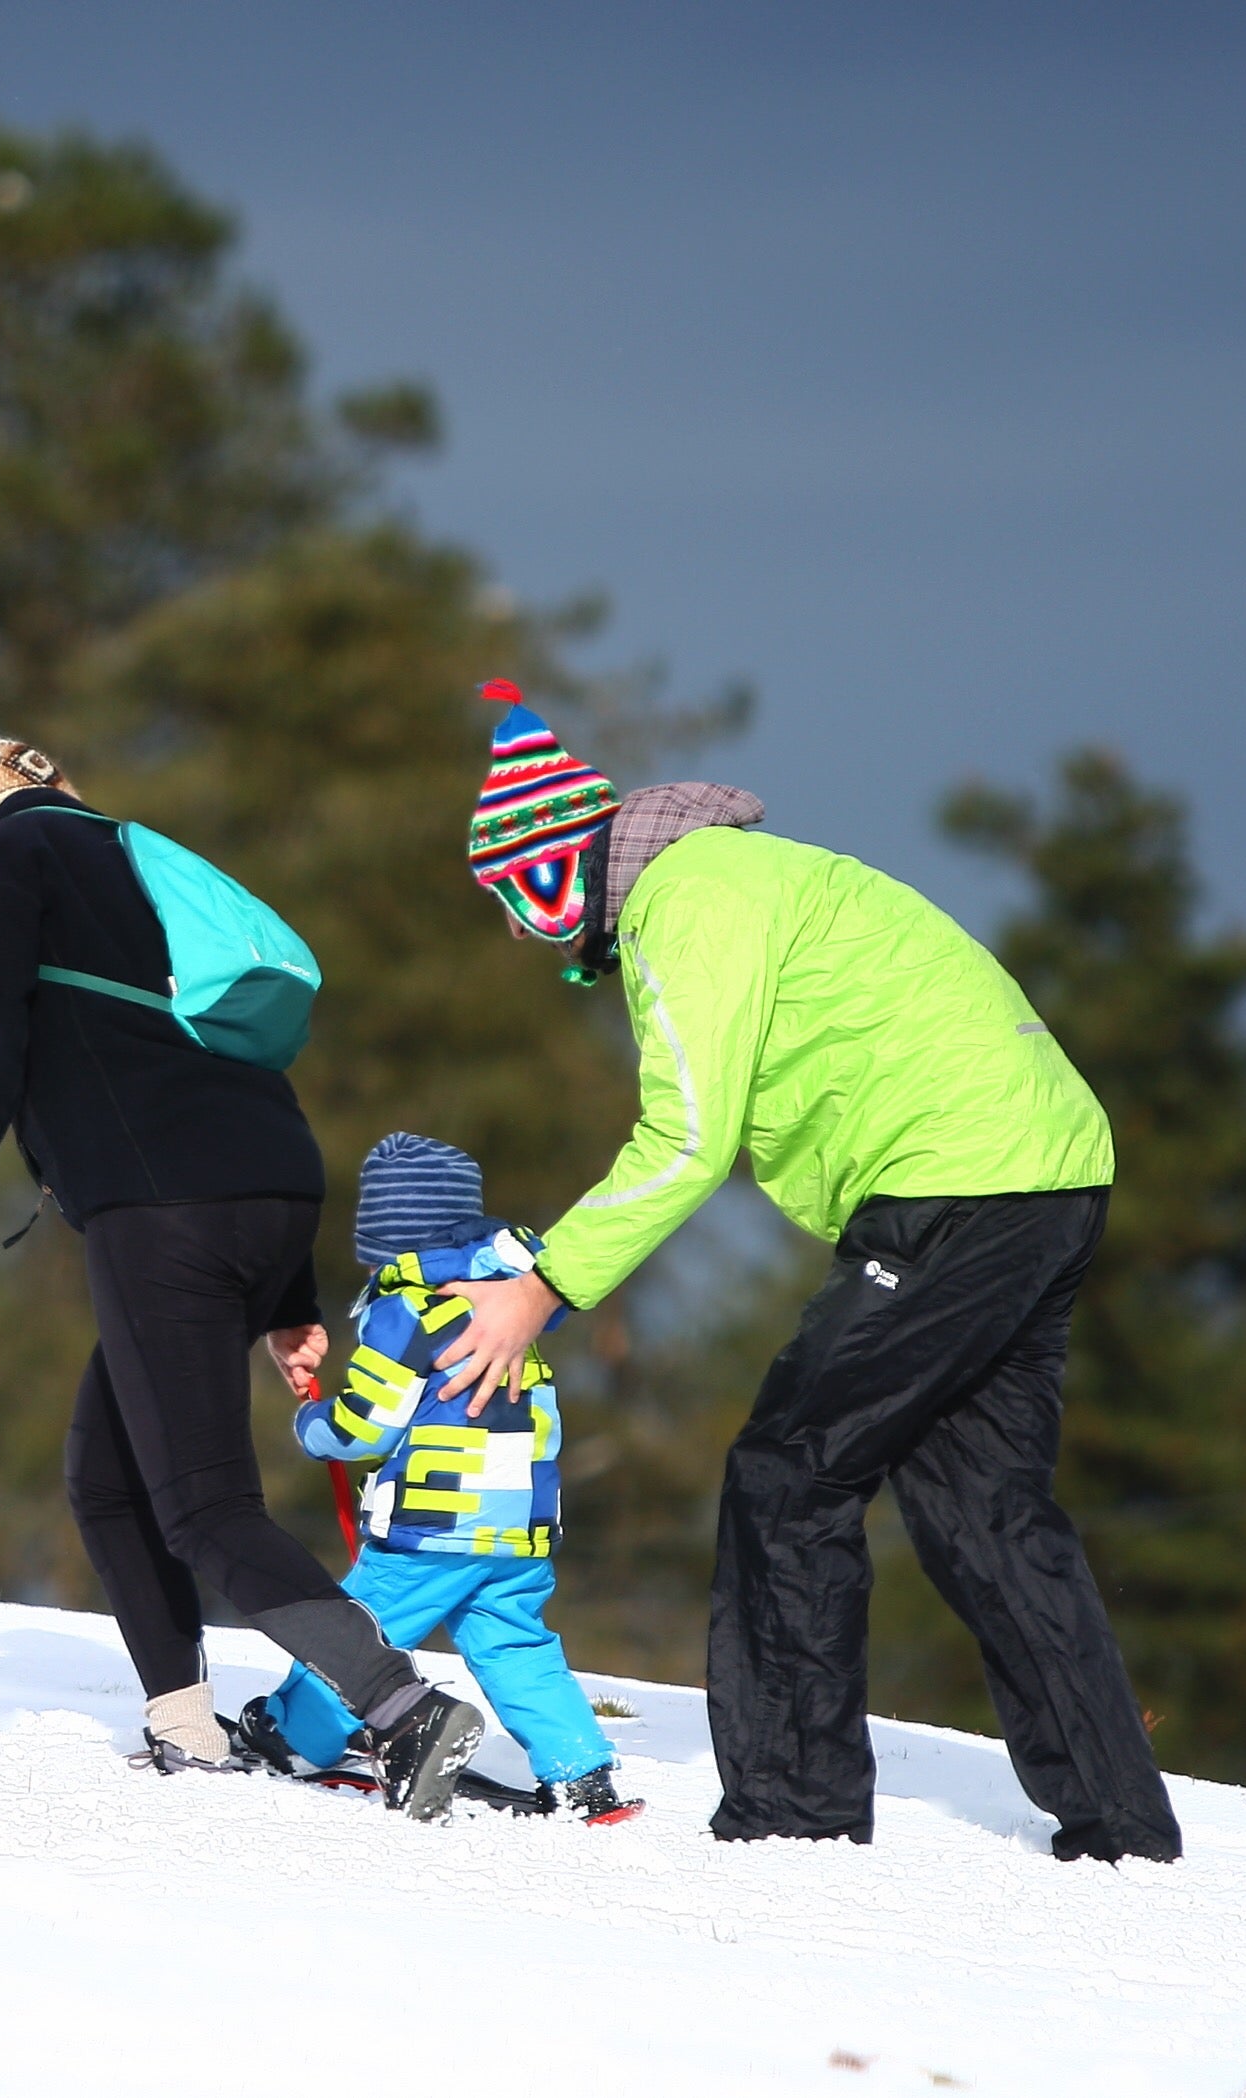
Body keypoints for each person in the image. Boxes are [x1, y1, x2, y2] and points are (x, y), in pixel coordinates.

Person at [427, 688, 1184, 1863]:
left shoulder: (683, 901)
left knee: (788, 1472)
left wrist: (540, 1286)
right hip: (1045, 1173)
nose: (518, 935)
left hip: (954, 1186)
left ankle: (794, 1811)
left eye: (510, 903)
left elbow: (684, 1139)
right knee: (983, 1507)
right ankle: (1119, 1825)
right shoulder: (741, 873)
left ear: (553, 869)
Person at [0, 732, 488, 1820]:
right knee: (110, 1472)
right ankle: (182, 1720)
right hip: (268, 1183)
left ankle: (396, 1706)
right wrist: (285, 1300)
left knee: (204, 1506)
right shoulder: (139, 858)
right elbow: (216, 1045)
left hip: (162, 1206)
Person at [234, 1133, 644, 1824]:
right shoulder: (512, 1300)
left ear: (386, 1234)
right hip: (519, 1523)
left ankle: (290, 1733)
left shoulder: (404, 1310)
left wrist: (312, 1427)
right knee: (514, 1642)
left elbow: (366, 1424)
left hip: (434, 1525)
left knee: (358, 1629)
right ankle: (581, 1773)